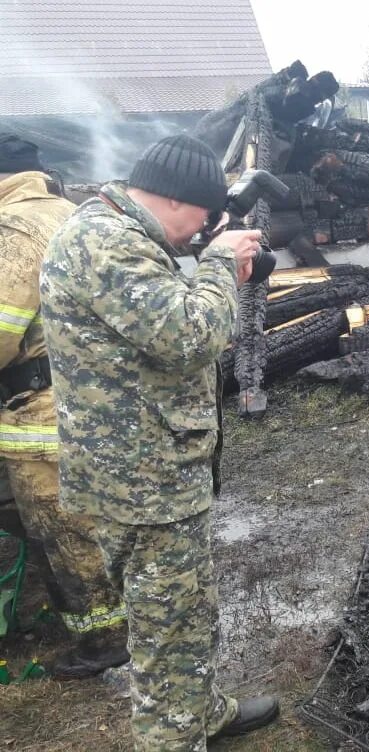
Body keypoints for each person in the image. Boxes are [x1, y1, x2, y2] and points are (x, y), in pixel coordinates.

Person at [39, 134, 278, 749]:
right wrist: (222, 262)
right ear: (175, 200)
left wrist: (216, 271)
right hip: (140, 478)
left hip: (156, 464)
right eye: (202, 219)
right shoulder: (105, 242)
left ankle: (200, 712)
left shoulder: (125, 235)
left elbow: (171, 324)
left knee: (187, 605)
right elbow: (187, 334)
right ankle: (172, 737)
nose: (202, 232)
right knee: (165, 625)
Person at [0, 133, 129, 677]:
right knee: (100, 521)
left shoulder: (14, 232)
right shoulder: (75, 212)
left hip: (43, 411)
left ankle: (102, 642)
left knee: (65, 527)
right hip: (100, 395)